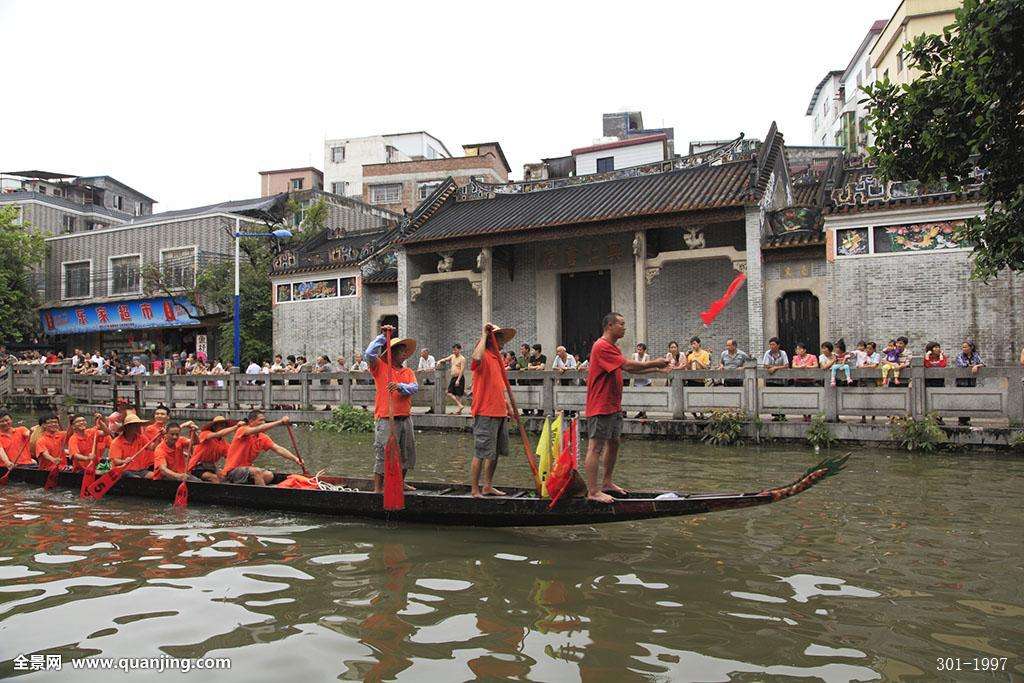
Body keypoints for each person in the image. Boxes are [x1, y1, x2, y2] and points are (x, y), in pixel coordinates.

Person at [585, 312, 669, 504]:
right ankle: (593, 491)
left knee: (614, 442)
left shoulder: (612, 347)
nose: (624, 327)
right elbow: (629, 367)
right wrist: (653, 362)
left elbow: (625, 368)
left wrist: (656, 369)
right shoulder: (602, 346)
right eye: (621, 324)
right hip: (600, 404)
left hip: (613, 405)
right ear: (609, 326)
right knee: (595, 447)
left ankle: (606, 482)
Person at [365, 325, 419, 493]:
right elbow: (369, 354)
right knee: (383, 454)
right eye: (401, 352)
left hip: (405, 418)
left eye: (405, 352)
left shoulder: (408, 371)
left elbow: (414, 387)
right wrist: (382, 336)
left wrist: (399, 386)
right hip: (386, 418)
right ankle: (378, 489)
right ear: (393, 352)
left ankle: (400, 483)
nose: (404, 354)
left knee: (406, 454)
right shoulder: (380, 367)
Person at [469, 322, 517, 498]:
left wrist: (508, 406)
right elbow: (475, 359)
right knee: (481, 451)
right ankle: (475, 489)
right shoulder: (483, 353)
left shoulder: (498, 358)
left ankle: (487, 486)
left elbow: (500, 386)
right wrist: (484, 335)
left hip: (499, 411)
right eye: (499, 338)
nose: (503, 341)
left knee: (494, 452)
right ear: (492, 339)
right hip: (485, 410)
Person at [219, 411, 300, 485]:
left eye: (264, 420)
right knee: (256, 471)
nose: (263, 422)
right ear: (251, 421)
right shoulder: (242, 430)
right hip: (232, 471)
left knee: (269, 475)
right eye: (260, 420)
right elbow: (260, 428)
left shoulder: (263, 437)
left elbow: (278, 449)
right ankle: (264, 495)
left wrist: (296, 459)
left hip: (246, 471)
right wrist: (280, 422)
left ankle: (252, 488)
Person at [189, 416, 237, 483]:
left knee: (224, 478)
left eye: (224, 426)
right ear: (214, 427)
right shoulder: (205, 434)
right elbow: (218, 434)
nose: (223, 428)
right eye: (220, 425)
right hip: (197, 467)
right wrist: (236, 427)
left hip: (211, 468)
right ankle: (218, 493)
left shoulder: (224, 444)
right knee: (214, 478)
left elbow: (232, 458)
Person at [955, 340, 985, 425]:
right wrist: (971, 365)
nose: (963, 349)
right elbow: (961, 365)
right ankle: (961, 420)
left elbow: (983, 363)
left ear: (971, 347)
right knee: (962, 400)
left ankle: (967, 419)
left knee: (969, 400)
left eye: (965, 347)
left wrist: (977, 365)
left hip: (971, 381)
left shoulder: (975, 355)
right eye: (963, 347)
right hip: (961, 382)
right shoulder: (959, 355)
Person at [763, 337, 789, 421]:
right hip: (770, 379)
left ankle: (782, 415)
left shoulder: (783, 353)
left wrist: (775, 368)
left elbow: (786, 365)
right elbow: (766, 365)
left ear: (778, 345)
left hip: (781, 380)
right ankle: (775, 415)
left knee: (781, 397)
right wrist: (776, 367)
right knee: (772, 397)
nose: (771, 346)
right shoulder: (767, 353)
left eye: (773, 344)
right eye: (770, 344)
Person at [436, 343, 467, 414]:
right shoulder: (452, 356)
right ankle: (460, 405)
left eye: (455, 350)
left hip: (459, 377)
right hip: (453, 377)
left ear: (459, 349)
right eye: (453, 350)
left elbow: (462, 370)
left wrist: (458, 380)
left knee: (459, 394)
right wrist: (439, 361)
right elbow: (445, 359)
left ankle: (459, 410)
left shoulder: (462, 359)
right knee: (449, 392)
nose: (454, 351)